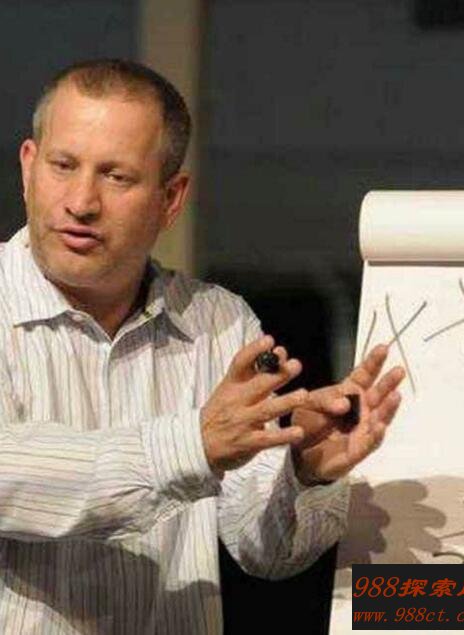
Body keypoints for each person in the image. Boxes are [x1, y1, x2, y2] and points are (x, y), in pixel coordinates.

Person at [0, 59, 404, 634]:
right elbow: (12, 478)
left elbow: (266, 551)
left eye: (116, 177)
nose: (82, 201)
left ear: (171, 199)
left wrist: (303, 471)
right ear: (28, 166)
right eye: (63, 166)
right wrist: (194, 445)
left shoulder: (219, 323)